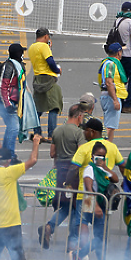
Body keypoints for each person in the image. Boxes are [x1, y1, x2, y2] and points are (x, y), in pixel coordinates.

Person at [38, 104, 88, 249]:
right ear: (79, 116)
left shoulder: (57, 130)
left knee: (65, 204)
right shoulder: (79, 133)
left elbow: (52, 153)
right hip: (74, 172)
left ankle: (49, 227)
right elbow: (81, 153)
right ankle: (72, 242)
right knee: (75, 206)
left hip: (60, 170)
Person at [27, 27, 63, 139]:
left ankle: (37, 133)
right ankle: (51, 135)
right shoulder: (44, 47)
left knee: (38, 107)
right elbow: (50, 62)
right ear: (46, 36)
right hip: (48, 79)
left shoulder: (32, 47)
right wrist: (58, 70)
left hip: (38, 79)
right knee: (54, 106)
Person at [110, 2, 131, 114]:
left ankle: (120, 100)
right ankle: (127, 104)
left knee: (121, 80)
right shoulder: (130, 22)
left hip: (119, 55)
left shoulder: (117, 20)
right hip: (130, 55)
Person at [0, 43, 26, 153]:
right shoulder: (9, 66)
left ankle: (4, 153)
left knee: (10, 128)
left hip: (12, 102)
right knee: (14, 128)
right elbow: (3, 87)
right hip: (5, 103)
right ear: (18, 54)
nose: (23, 55)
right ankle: (10, 156)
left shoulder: (18, 65)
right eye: (22, 53)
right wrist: (7, 105)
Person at [99, 42, 127, 141]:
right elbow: (109, 82)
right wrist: (115, 100)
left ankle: (109, 149)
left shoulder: (108, 63)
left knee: (111, 126)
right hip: (111, 96)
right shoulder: (111, 64)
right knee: (109, 127)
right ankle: (101, 147)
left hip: (109, 95)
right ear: (118, 53)